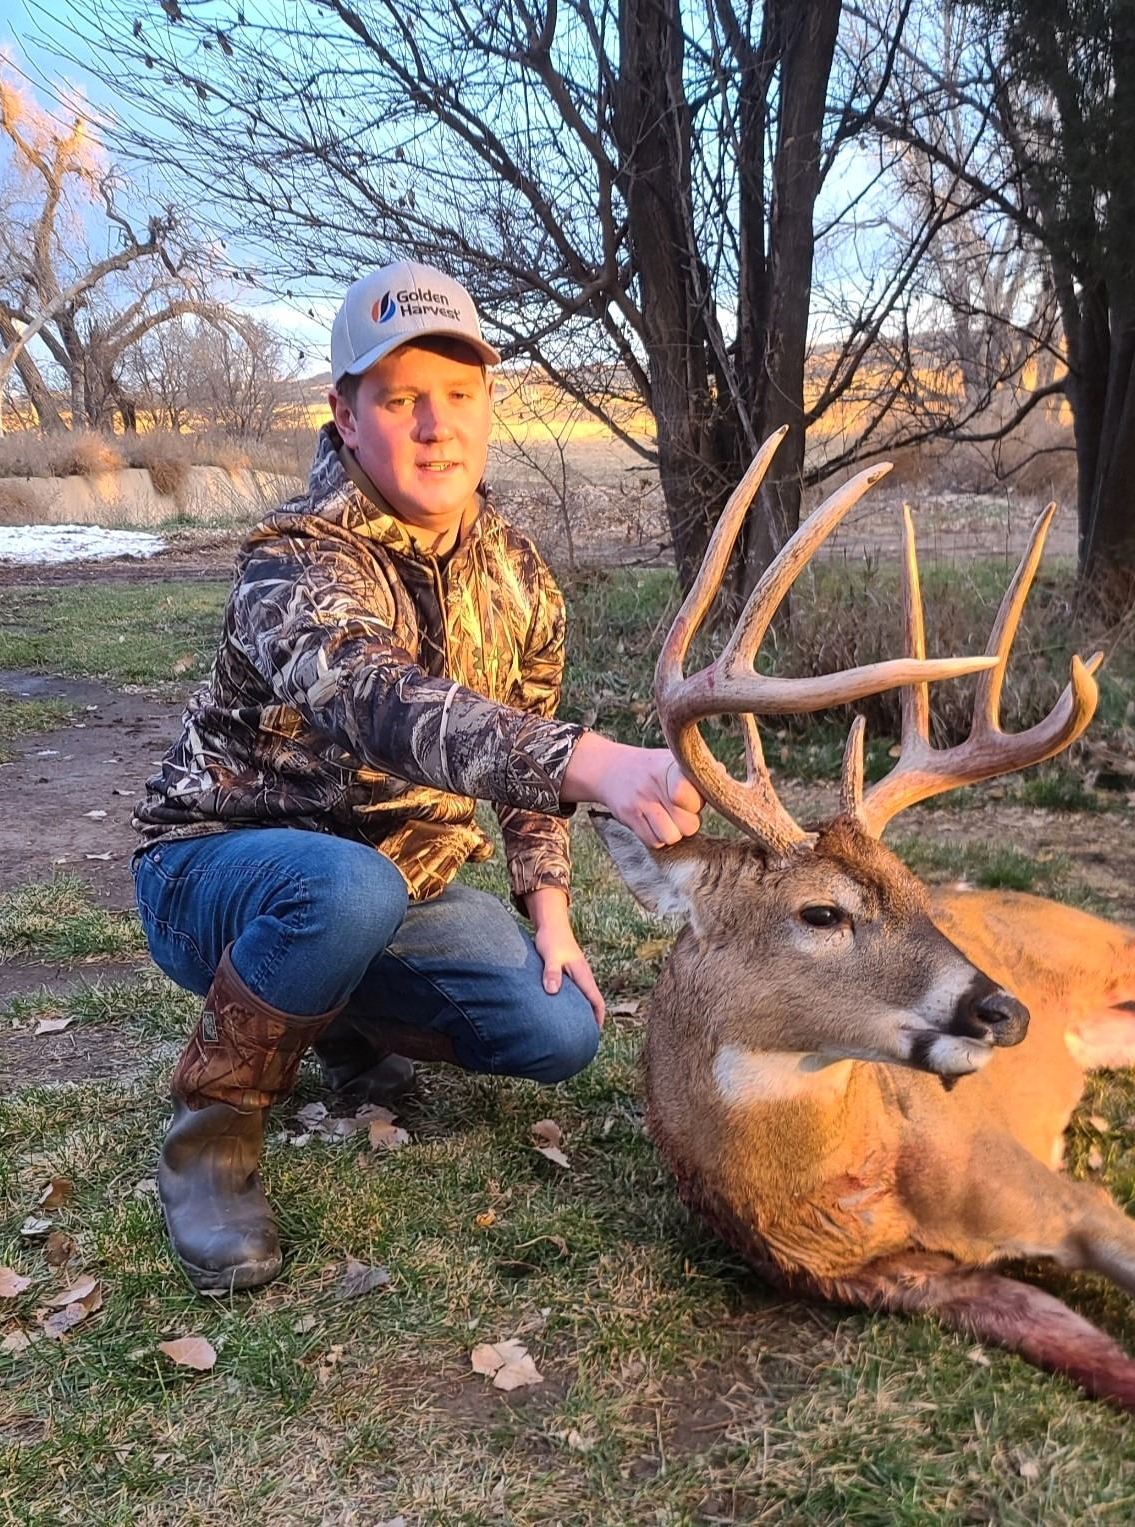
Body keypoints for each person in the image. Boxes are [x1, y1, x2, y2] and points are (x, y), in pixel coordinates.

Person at [131, 259, 703, 1294]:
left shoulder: (520, 575)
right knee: (345, 888)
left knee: (559, 1030)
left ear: (486, 407)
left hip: (395, 891)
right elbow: (375, 699)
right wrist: (596, 761)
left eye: (457, 395)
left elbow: (523, 759)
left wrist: (551, 912)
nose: (436, 427)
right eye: (400, 401)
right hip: (210, 876)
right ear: (347, 418)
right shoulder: (293, 558)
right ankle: (208, 1139)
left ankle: (337, 1020)